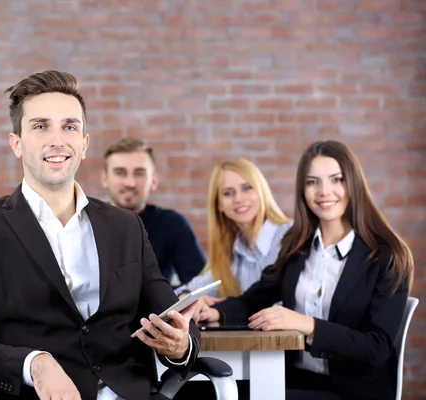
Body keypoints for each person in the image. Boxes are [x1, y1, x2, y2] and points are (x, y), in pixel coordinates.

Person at [0, 70, 200, 400]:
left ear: (84, 144)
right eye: (40, 126)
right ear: (17, 143)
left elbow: (176, 315)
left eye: (69, 127)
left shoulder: (126, 226)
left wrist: (181, 344)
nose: (57, 140)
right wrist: (34, 364)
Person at [195, 140, 414, 400]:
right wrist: (216, 312)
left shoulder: (387, 255)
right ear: (303, 190)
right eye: (312, 182)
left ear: (353, 184)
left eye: (336, 179)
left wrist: (306, 324)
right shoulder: (297, 244)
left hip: (352, 391)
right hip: (292, 377)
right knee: (207, 392)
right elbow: (255, 298)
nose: (324, 191)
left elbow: (376, 346)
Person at [175, 158, 292, 300]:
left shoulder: (291, 235)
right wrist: (185, 298)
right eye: (228, 193)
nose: (238, 198)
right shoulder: (233, 251)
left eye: (247, 188)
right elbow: (191, 290)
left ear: (261, 191)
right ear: (219, 205)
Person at [101, 138, 205, 285]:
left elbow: (200, 281)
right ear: (105, 178)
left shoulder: (172, 224)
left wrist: (182, 294)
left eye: (139, 173)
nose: (130, 183)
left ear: (154, 180)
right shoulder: (87, 223)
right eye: (120, 173)